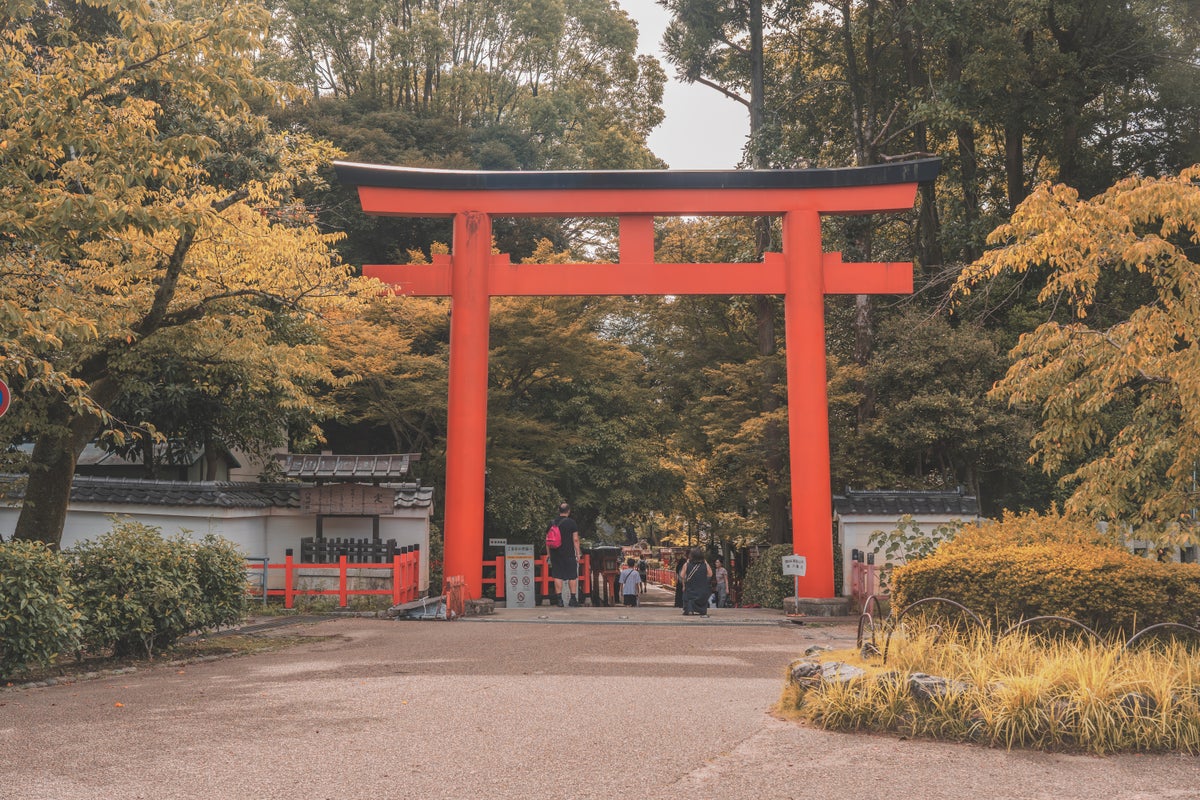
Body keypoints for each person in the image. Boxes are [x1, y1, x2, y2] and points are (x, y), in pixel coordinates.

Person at [547, 502, 581, 607]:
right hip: (569, 553)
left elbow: (547, 541)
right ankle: (573, 599)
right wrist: (578, 553)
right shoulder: (572, 523)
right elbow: (575, 539)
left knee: (557, 575)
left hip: (555, 553)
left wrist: (549, 554)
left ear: (559, 511)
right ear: (568, 511)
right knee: (572, 576)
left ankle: (559, 600)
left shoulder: (551, 523)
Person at [681, 546, 713, 617]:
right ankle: (701, 610)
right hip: (702, 589)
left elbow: (682, 575)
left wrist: (684, 585)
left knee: (689, 597)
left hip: (691, 588)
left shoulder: (687, 564)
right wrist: (706, 562)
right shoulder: (705, 565)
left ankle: (689, 610)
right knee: (701, 596)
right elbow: (710, 574)